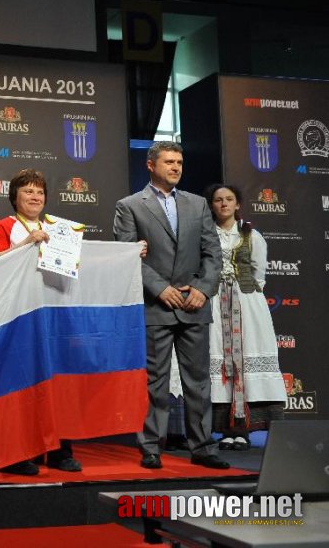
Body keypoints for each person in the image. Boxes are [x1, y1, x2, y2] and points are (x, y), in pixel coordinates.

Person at [114, 141, 229, 470]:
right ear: (151, 165)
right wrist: (160, 288)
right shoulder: (130, 206)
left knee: (198, 381)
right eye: (169, 162)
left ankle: (203, 447)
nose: (176, 167)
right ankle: (151, 446)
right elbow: (127, 255)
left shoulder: (198, 205)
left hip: (194, 304)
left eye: (179, 161)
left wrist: (203, 290)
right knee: (155, 382)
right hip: (156, 305)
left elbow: (213, 255)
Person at [0, 168, 82, 475]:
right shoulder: (4, 227)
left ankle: (57, 451)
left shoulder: (60, 229)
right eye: (28, 191)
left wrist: (132, 253)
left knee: (56, 384)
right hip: (19, 315)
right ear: (15, 198)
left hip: (53, 315)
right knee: (21, 384)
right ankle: (16, 454)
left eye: (39, 191)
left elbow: (80, 265)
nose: (35, 196)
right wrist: (26, 242)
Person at [206, 184, 285, 450]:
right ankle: (226, 429)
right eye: (218, 200)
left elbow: (259, 273)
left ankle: (244, 429)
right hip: (215, 303)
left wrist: (242, 292)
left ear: (238, 204)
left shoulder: (251, 235)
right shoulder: (205, 234)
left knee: (247, 357)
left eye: (229, 199)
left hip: (247, 303)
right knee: (222, 360)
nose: (224, 204)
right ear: (212, 205)